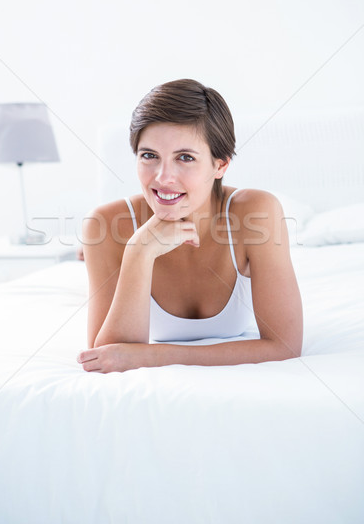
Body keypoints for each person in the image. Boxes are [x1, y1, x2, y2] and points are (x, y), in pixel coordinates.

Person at [77, 79, 303, 373]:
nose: (163, 177)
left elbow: (284, 346)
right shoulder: (104, 224)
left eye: (185, 157)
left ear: (220, 165)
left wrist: (153, 356)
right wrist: (138, 252)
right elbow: (105, 357)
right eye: (149, 156)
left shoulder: (257, 212)